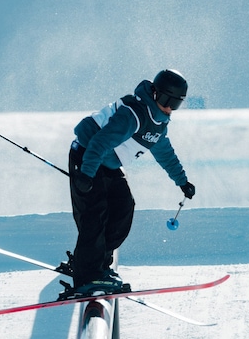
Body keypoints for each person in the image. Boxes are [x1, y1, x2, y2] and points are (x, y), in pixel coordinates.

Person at [64, 69, 196, 298]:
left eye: (175, 104)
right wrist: (86, 174)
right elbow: (99, 142)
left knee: (124, 207)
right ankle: (87, 275)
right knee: (94, 213)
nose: (168, 108)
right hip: (88, 155)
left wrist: (182, 182)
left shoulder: (158, 126)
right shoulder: (134, 114)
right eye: (166, 100)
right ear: (155, 93)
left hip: (108, 163)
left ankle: (98, 265)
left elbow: (166, 155)